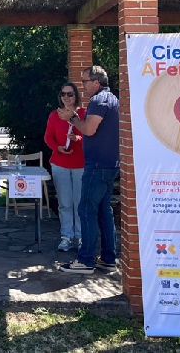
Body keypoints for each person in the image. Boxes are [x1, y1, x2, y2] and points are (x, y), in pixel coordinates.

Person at [58, 66, 119, 274]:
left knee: (85, 209)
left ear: (96, 82)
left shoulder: (98, 100)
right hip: (109, 164)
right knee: (104, 211)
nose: (82, 86)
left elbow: (89, 129)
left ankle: (85, 260)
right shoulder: (111, 99)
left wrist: (72, 119)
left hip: (97, 165)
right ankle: (108, 258)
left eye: (85, 82)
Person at [44, 82, 86, 252]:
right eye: (63, 94)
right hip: (60, 163)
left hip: (80, 164)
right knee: (64, 203)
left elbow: (90, 136)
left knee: (80, 202)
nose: (66, 97)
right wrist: (57, 148)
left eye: (70, 94)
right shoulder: (54, 115)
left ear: (76, 96)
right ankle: (66, 236)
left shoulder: (83, 114)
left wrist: (78, 139)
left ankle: (81, 236)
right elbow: (48, 137)